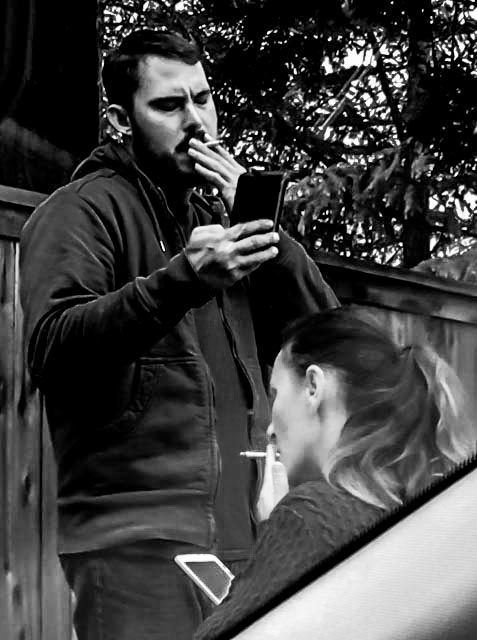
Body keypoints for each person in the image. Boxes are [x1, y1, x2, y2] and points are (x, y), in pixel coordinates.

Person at [19, 28, 338, 640]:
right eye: (169, 105)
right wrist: (181, 281)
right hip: (136, 540)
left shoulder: (225, 226)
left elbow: (328, 339)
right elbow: (52, 347)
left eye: (203, 98)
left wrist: (268, 235)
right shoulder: (79, 211)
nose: (195, 121)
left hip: (246, 537)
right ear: (120, 120)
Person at [195, 306, 476, 640]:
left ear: (313, 387)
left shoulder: (311, 517)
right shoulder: (414, 506)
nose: (269, 430)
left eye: (275, 395)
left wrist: (276, 528)